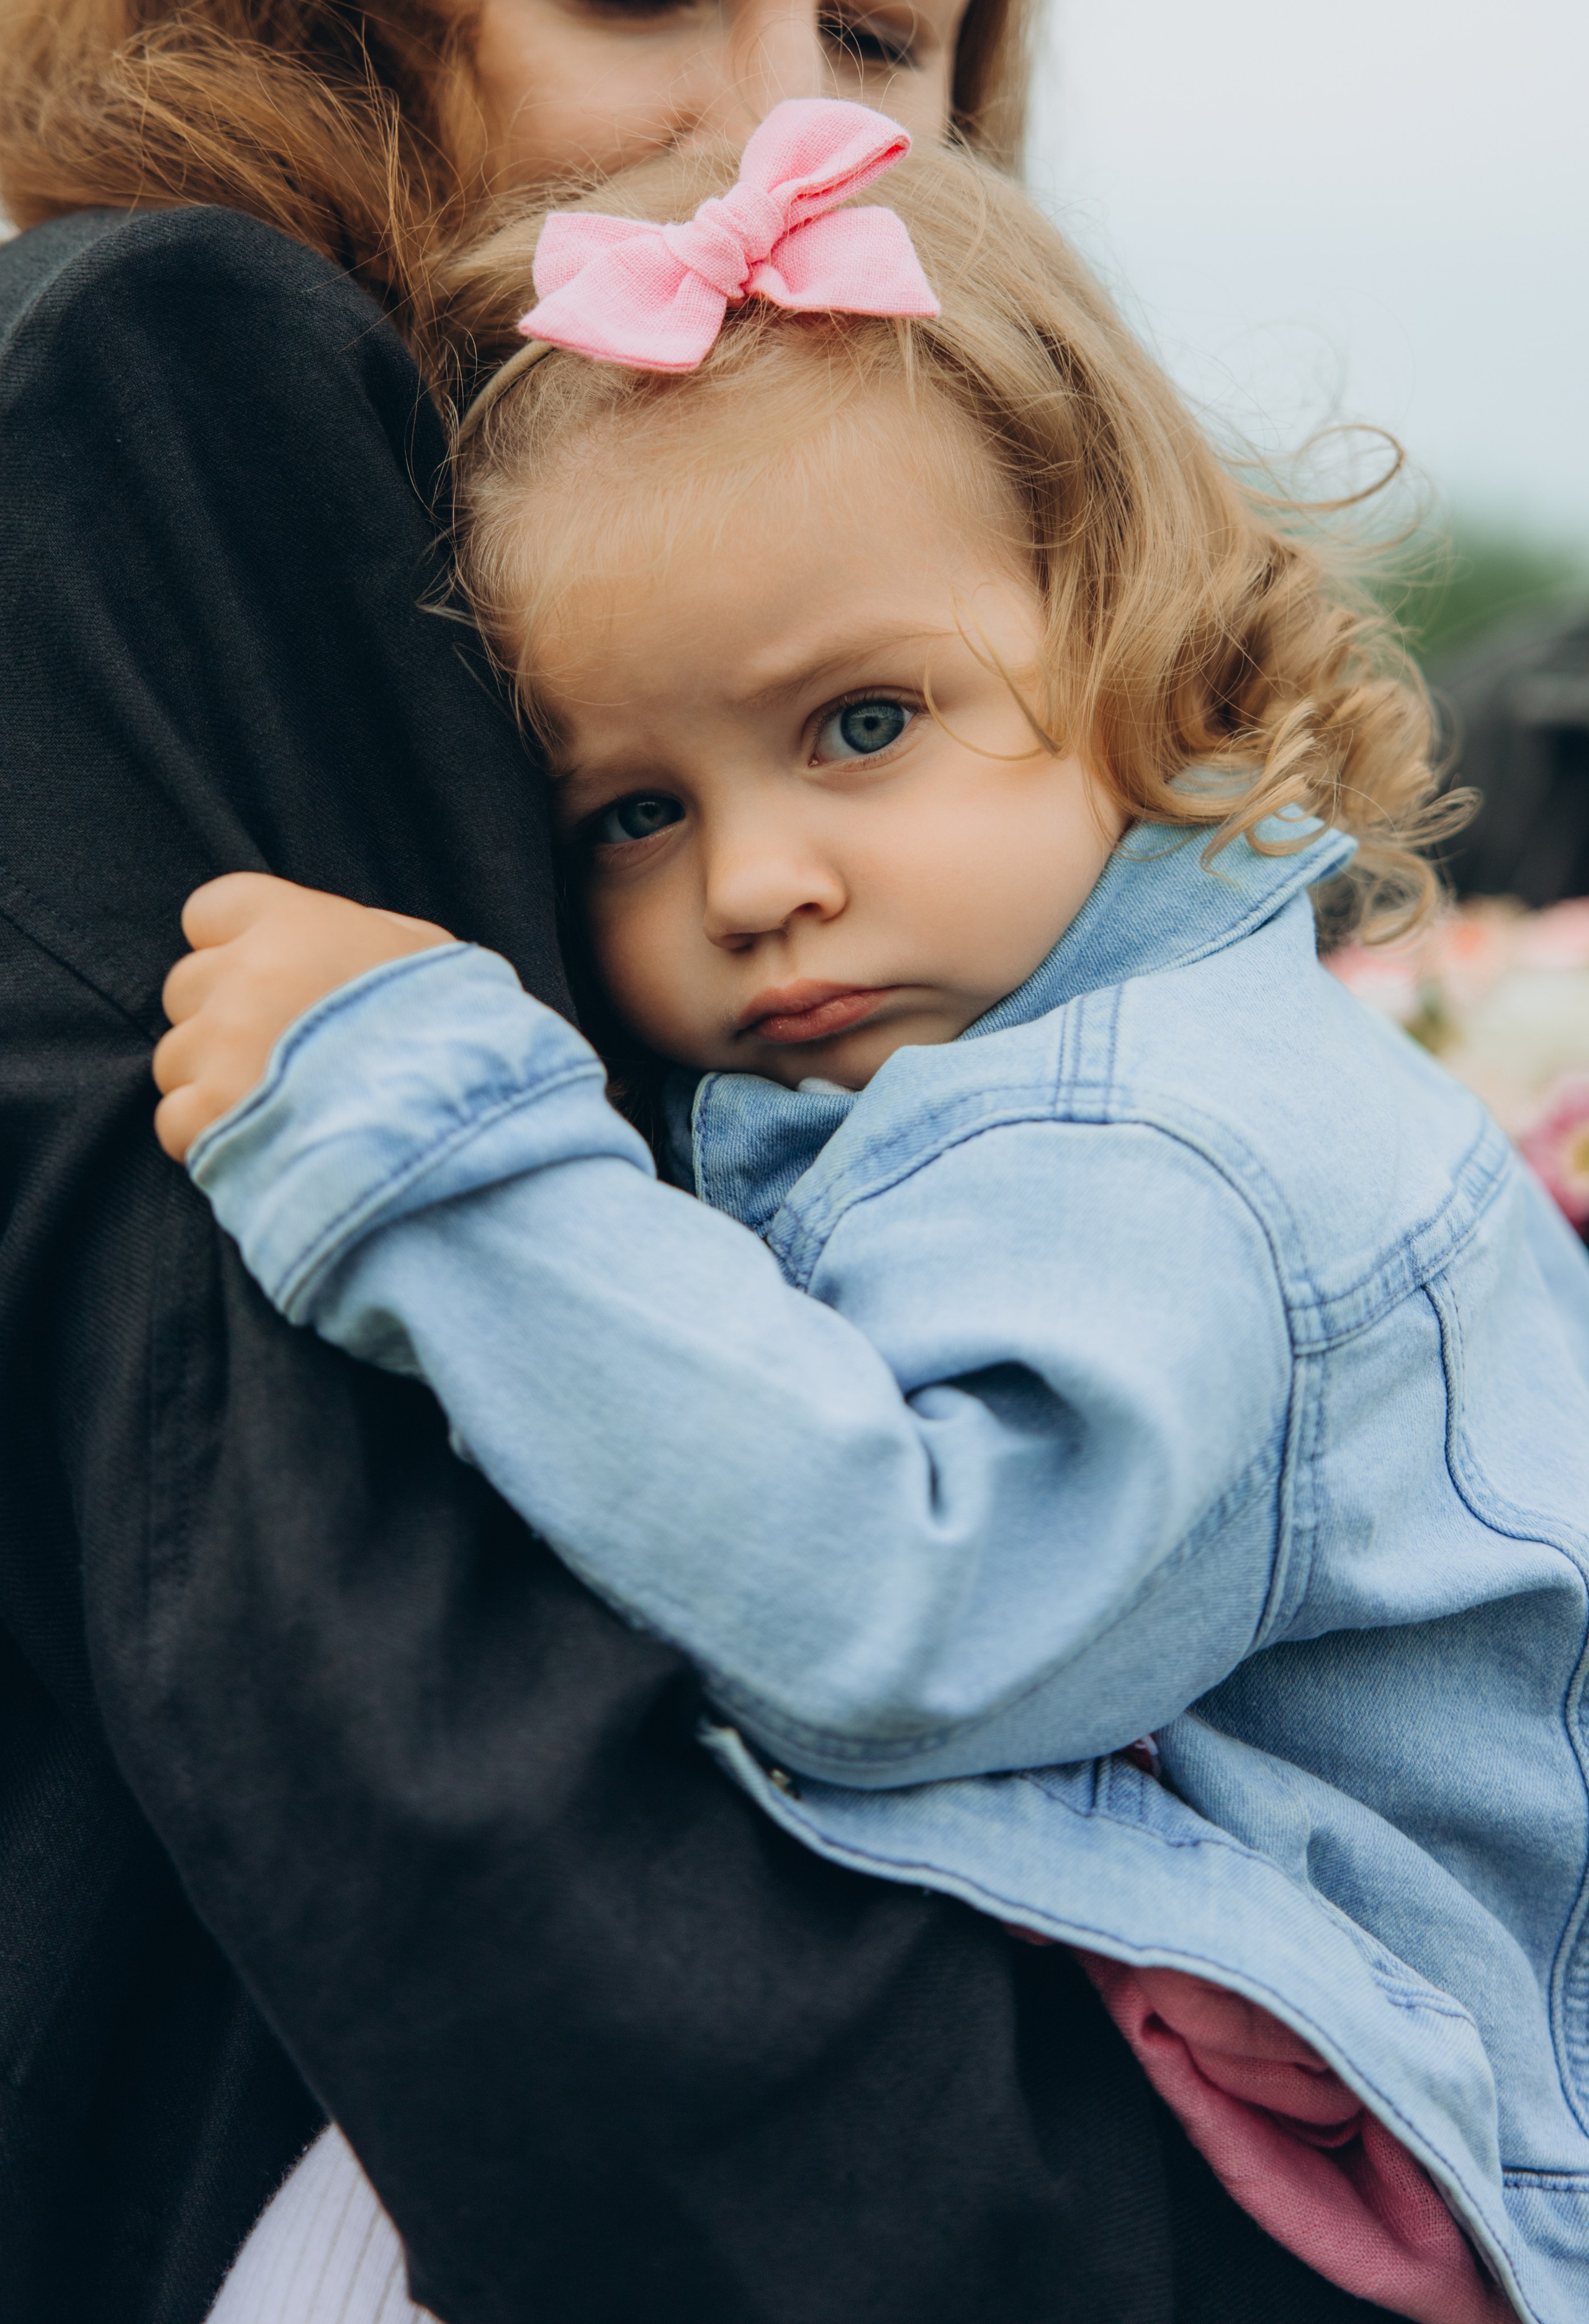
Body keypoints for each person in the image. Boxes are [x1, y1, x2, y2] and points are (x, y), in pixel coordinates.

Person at [0, 9, 1398, 2324]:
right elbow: (410, 1707)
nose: (775, 112)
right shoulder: (187, 369)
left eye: (883, 30)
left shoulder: (1147, 1095)